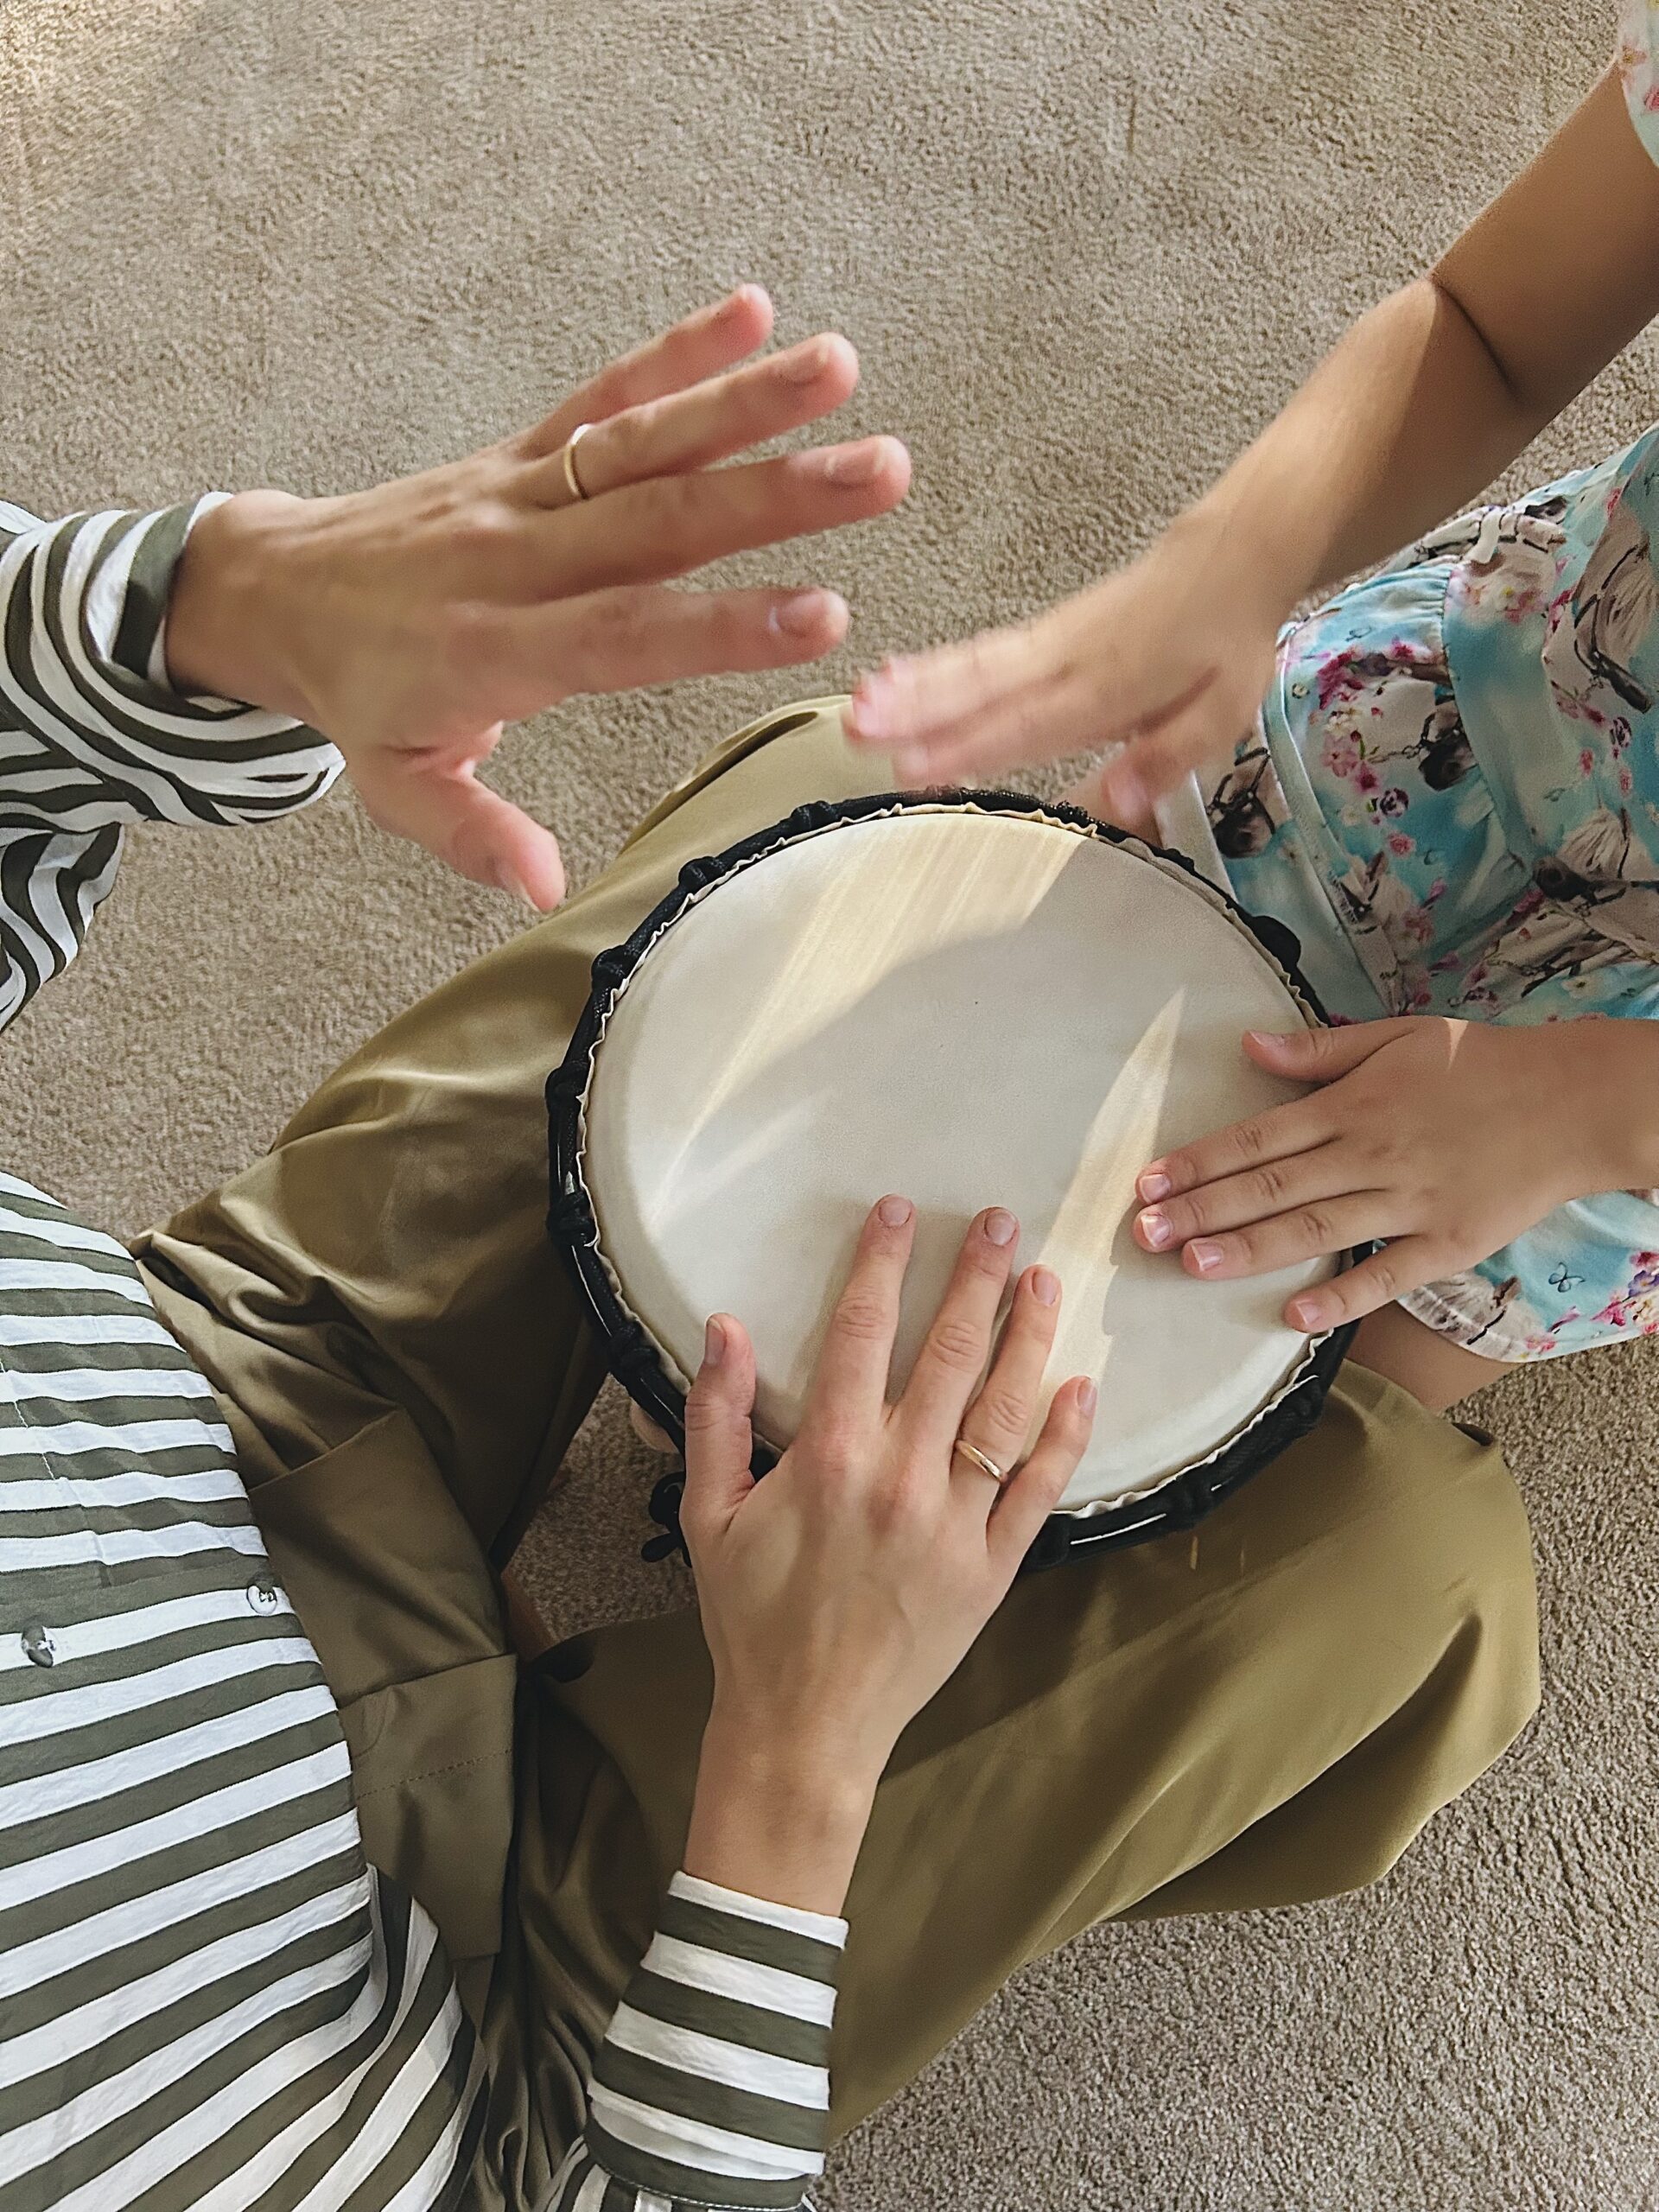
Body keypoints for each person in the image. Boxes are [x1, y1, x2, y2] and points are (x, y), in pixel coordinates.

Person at [1, 298, 1535, 2210]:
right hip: (479, 2015)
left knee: (842, 833)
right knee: (1406, 1556)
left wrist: (216, 607)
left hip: (178, 1398)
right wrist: (800, 1759)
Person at [844, 3, 1659, 1411]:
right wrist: (1226, 564)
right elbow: (1488, 328)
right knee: (918, 1102)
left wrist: (1581, 1108)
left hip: (1618, 1083)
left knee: (1232, 1421)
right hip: (1449, 715)